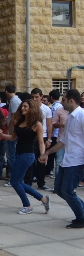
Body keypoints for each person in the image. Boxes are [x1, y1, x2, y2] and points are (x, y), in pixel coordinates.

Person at [39, 89, 84, 228]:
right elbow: (63, 141)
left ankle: (81, 218)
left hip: (78, 161)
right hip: (67, 160)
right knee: (59, 189)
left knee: (67, 190)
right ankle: (82, 211)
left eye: (63, 99)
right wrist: (47, 153)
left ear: (71, 101)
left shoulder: (82, 116)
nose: (61, 102)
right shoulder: (70, 117)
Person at [0, 100, 49, 215]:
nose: (23, 108)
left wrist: (43, 155)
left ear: (32, 108)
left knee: (15, 182)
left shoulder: (37, 124)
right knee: (19, 182)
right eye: (22, 107)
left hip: (28, 155)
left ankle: (27, 205)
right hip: (18, 154)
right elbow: (11, 137)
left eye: (25, 106)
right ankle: (43, 199)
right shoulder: (19, 122)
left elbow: (41, 142)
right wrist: (1, 134)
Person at [28, 88, 53, 191]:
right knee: (29, 159)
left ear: (41, 97)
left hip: (43, 136)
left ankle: (41, 182)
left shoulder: (46, 109)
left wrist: (49, 139)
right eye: (33, 97)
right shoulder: (28, 108)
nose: (35, 99)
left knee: (41, 159)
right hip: (30, 136)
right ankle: (28, 181)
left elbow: (49, 124)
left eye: (37, 97)